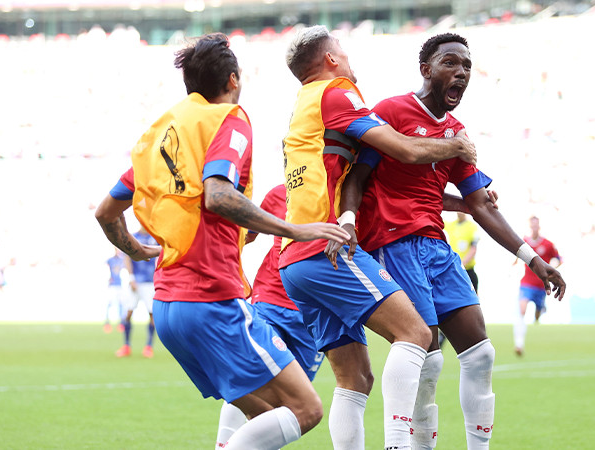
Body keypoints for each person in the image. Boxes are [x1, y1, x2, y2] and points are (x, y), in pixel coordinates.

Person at [94, 33, 350, 449]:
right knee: (306, 409)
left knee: (266, 416)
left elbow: (106, 212)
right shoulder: (229, 119)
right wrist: (296, 230)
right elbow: (218, 193)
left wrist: (135, 249)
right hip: (210, 300)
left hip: (168, 307)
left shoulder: (160, 135)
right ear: (233, 80)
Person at [335, 33, 566, 450]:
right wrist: (348, 220)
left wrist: (533, 259)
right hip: (393, 241)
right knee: (426, 356)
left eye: (467, 67)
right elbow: (358, 177)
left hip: (437, 248)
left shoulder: (458, 135)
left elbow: (482, 205)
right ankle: (401, 445)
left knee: (480, 355)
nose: (461, 72)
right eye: (450, 63)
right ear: (426, 69)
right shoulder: (391, 111)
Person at [279, 25, 477, 450]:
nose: (348, 60)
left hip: (293, 258)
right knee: (417, 334)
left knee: (354, 379)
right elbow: (403, 150)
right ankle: (398, 445)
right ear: (331, 59)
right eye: (343, 52)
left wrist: (456, 203)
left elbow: (375, 179)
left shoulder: (301, 107)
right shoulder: (337, 90)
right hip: (326, 247)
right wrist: (455, 145)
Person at [215, 184, 325, 448]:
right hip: (270, 300)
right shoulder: (280, 192)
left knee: (292, 404)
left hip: (314, 313)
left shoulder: (349, 194)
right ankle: (222, 444)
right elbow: (245, 234)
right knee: (252, 380)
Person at [513, 216, 562, 357]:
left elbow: (559, 259)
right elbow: (517, 256)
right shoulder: (524, 242)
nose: (534, 228)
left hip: (541, 285)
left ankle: (539, 313)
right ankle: (519, 344)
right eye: (532, 225)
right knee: (521, 310)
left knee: (537, 314)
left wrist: (551, 270)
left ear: (539, 227)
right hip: (526, 283)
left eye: (536, 225)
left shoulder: (547, 244)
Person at [116, 225, 158, 358]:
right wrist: (131, 277)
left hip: (150, 282)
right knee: (128, 313)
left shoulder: (156, 237)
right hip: (136, 282)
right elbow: (127, 257)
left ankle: (149, 346)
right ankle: (126, 345)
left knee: (152, 315)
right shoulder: (133, 237)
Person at [444, 212, 480, 292]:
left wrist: (461, 264)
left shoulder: (472, 227)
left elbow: (473, 249)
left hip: (467, 271)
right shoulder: (451, 225)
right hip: (454, 271)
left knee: (473, 301)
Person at [104, 248, 127, 334]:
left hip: (120, 285)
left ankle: (121, 323)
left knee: (121, 304)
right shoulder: (110, 260)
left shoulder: (122, 260)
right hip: (112, 285)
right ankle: (107, 323)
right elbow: (104, 267)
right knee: (110, 304)